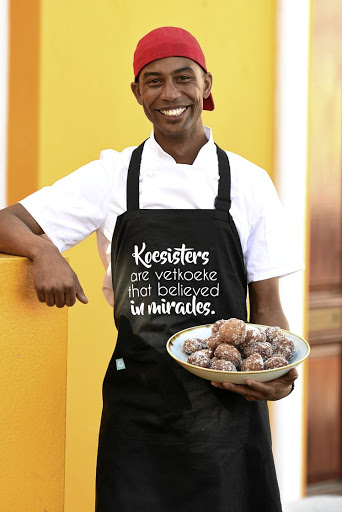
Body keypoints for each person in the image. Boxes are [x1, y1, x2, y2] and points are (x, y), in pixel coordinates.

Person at [0, 26, 301, 511]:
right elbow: (5, 222)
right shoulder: (111, 176)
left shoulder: (249, 183)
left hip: (226, 414)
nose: (170, 93)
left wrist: (279, 373)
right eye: (153, 81)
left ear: (206, 85)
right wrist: (43, 251)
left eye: (184, 77)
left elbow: (267, 309)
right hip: (137, 412)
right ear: (137, 92)